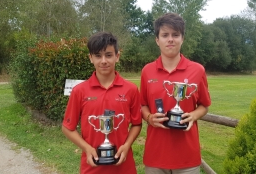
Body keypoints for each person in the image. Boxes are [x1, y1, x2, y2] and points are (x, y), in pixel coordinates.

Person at [140, 13, 211, 173]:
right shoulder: (147, 71)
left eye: (175, 35)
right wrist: (150, 118)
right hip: (155, 155)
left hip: (187, 156)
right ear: (157, 40)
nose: (170, 39)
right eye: (165, 35)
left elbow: (204, 106)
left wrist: (193, 116)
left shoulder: (197, 70)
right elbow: (142, 105)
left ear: (182, 38)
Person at [62, 32, 142, 174]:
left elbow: (137, 124)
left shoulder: (131, 90)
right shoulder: (79, 91)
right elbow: (67, 128)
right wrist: (87, 148)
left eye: (109, 55)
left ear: (117, 56)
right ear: (91, 58)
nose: (103, 61)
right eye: (98, 56)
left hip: (124, 167)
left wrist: (127, 145)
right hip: (92, 167)